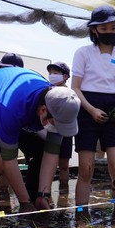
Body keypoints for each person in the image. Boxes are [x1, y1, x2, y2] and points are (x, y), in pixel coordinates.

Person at [0, 66, 81, 213]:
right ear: (42, 111)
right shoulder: (12, 108)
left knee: (41, 148)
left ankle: (36, 200)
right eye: (55, 123)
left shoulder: (58, 106)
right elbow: (9, 160)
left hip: (8, 100)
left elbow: (51, 153)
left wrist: (44, 193)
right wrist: (23, 201)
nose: (58, 128)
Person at [71, 6, 115, 208]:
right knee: (86, 168)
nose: (108, 32)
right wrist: (90, 109)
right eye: (103, 29)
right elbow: (76, 88)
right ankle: (81, 213)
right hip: (86, 107)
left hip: (113, 108)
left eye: (112, 28)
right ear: (94, 30)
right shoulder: (83, 53)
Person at [0, 53, 25, 192]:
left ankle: (2, 194)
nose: (2, 71)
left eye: (5, 68)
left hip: (11, 128)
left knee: (8, 165)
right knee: (0, 167)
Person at [47, 61, 74, 191]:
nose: (52, 75)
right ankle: (47, 192)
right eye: (50, 73)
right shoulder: (46, 90)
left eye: (56, 73)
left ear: (65, 76)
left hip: (65, 132)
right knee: (49, 163)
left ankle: (64, 193)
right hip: (49, 131)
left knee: (64, 165)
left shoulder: (70, 93)